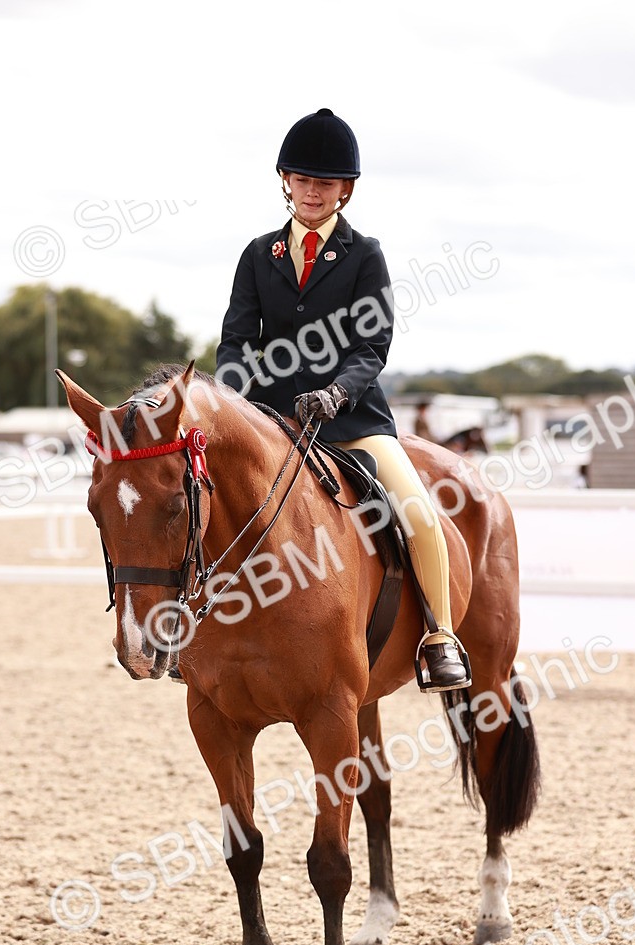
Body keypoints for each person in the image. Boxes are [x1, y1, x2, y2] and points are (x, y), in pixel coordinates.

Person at [216, 108, 469, 691]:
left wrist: (336, 392)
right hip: (274, 422)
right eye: (302, 180)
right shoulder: (259, 256)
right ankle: (195, 635)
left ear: (344, 191)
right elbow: (235, 340)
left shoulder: (364, 255)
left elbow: (371, 345)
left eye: (324, 183)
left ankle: (439, 637)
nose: (312, 191)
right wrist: (234, 397)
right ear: (286, 181)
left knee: (419, 516)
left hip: (351, 420)